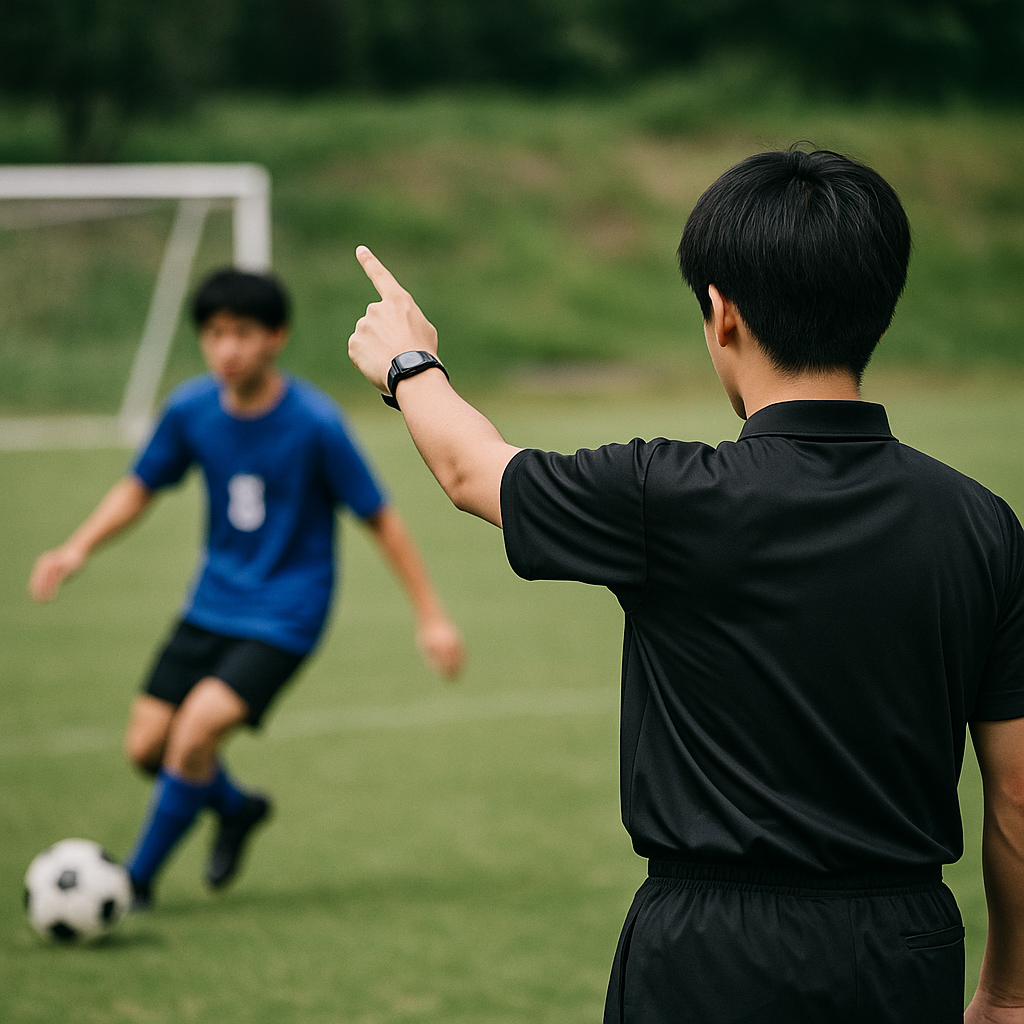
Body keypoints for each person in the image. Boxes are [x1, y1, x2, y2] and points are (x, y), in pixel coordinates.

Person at [346, 148, 1024, 1023]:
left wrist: (409, 362)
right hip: (905, 945)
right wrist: (1008, 992)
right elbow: (1013, 791)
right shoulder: (980, 523)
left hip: (708, 952)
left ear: (721, 314)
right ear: (879, 303)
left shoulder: (664, 495)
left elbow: (473, 470)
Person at [30, 267, 464, 909]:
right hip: (211, 604)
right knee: (147, 747)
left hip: (287, 614)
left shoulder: (315, 422)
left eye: (242, 332)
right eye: (213, 333)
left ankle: (134, 883)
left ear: (276, 337)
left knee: (196, 731)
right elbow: (138, 488)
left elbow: (382, 520)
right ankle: (236, 809)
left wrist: (431, 615)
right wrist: (75, 548)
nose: (226, 348)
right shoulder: (190, 410)